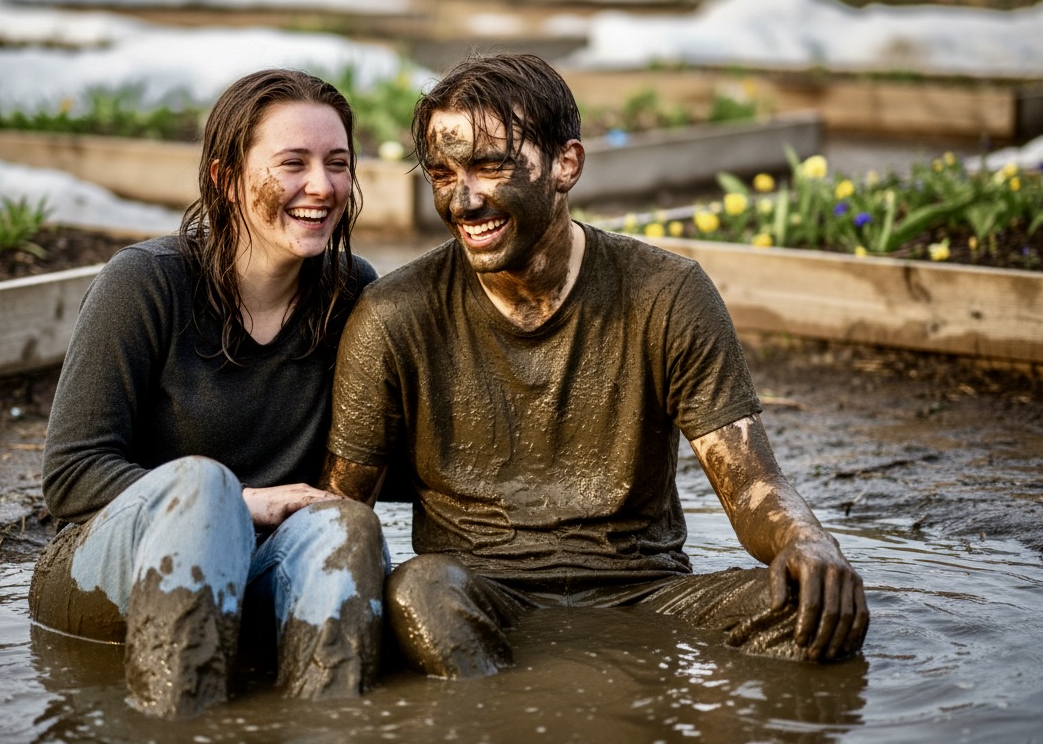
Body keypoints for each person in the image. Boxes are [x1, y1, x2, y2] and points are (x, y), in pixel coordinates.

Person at [320, 53, 868, 678]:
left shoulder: (667, 293)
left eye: (490, 166)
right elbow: (343, 513)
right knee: (417, 595)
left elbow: (750, 487)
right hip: (478, 598)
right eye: (442, 174)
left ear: (566, 165)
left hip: (649, 597)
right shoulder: (394, 315)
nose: (464, 200)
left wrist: (808, 540)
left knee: (819, 606)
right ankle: (498, 706)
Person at [29, 68, 387, 718]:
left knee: (346, 524)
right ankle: (176, 727)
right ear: (225, 179)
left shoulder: (350, 292)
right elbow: (71, 475)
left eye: (338, 163)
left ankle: (329, 724)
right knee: (204, 488)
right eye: (292, 163)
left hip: (261, 570)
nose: (323, 186)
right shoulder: (145, 283)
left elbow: (390, 451)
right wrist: (241, 502)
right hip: (110, 575)